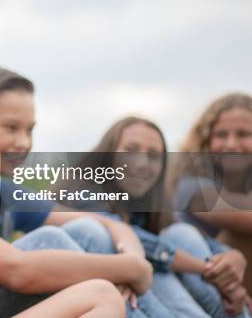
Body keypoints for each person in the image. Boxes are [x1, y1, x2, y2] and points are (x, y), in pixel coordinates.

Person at [0, 66, 162, 318]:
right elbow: (17, 270)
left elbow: (109, 225)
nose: (24, 142)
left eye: (30, 130)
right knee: (51, 241)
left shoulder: (2, 191)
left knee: (88, 231)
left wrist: (134, 262)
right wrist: (127, 269)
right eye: (11, 128)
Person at [79, 115, 250, 317]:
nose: (142, 163)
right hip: (99, 288)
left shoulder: (151, 206)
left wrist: (231, 257)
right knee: (150, 265)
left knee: (180, 233)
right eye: (130, 150)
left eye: (153, 156)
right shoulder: (83, 193)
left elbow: (185, 239)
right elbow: (137, 241)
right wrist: (207, 269)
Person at [172, 93, 252, 299]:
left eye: (243, 134)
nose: (232, 144)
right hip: (198, 283)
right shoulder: (190, 182)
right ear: (205, 141)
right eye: (221, 135)